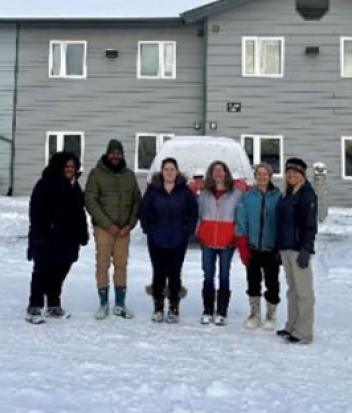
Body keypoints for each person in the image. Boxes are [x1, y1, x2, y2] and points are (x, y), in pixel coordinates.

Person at [26, 151, 89, 324]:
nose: (70, 170)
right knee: (42, 271)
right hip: (47, 237)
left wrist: (83, 234)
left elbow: (79, 213)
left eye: (73, 167)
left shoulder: (74, 186)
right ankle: (35, 306)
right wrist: (40, 234)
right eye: (67, 166)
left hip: (69, 238)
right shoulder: (45, 184)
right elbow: (36, 211)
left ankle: (53, 305)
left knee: (60, 272)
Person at [84, 139, 142, 320]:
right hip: (104, 228)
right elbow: (90, 201)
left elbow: (136, 201)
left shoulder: (129, 175)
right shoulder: (96, 174)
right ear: (107, 153)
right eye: (113, 152)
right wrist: (107, 225)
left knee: (121, 265)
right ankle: (103, 303)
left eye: (119, 152)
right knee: (102, 264)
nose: (116, 156)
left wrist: (129, 224)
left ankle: (120, 303)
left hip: (123, 229)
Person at [138, 158, 199, 323]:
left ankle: (173, 307)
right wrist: (148, 229)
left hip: (178, 240)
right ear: (161, 171)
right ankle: (158, 307)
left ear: (177, 172)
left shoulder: (184, 191)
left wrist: (188, 231)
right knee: (158, 274)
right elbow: (143, 211)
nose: (169, 172)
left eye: (172, 169)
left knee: (174, 274)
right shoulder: (153, 190)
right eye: (166, 169)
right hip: (157, 239)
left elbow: (193, 212)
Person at [235, 163, 282, 330]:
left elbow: (282, 223)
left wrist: (280, 247)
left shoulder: (278, 196)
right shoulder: (248, 196)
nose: (262, 177)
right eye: (259, 174)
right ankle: (254, 314)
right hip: (253, 248)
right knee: (253, 281)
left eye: (265, 174)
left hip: (271, 249)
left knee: (272, 282)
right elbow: (241, 221)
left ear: (270, 176)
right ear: (255, 176)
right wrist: (242, 246)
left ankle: (271, 315)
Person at [275, 157, 317, 344]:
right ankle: (291, 325)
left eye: (295, 172)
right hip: (286, 248)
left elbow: (310, 225)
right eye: (288, 172)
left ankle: (304, 332)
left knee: (304, 292)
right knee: (292, 291)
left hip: (299, 249)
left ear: (302, 174)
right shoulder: (287, 194)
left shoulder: (307, 195)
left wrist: (306, 249)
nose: (291, 175)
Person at [196, 160, 243, 325]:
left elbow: (240, 217)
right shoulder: (204, 193)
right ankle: (208, 310)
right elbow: (199, 215)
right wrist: (199, 232)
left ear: (226, 173)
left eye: (221, 170)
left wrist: (236, 235)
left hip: (227, 242)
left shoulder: (236, 194)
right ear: (211, 174)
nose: (218, 174)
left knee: (224, 276)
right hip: (207, 241)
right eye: (215, 171)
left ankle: (222, 311)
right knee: (208, 276)